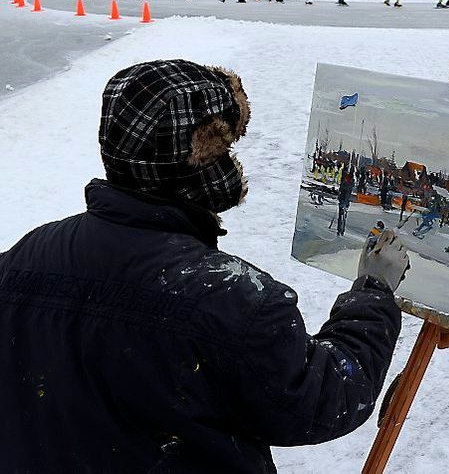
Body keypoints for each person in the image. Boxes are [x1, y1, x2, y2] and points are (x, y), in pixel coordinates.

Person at [0, 59, 409, 472]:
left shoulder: (20, 259)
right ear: (197, 160)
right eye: (224, 149)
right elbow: (321, 397)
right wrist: (373, 293)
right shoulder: (231, 297)